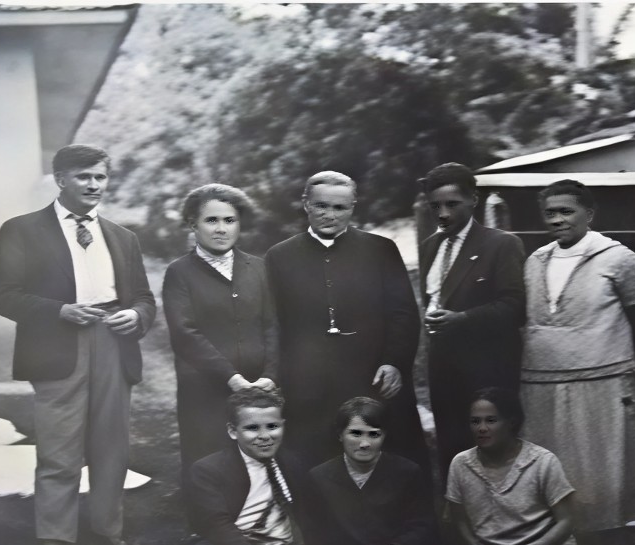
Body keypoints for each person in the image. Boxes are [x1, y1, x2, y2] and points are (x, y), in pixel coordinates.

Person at [0, 144, 156, 545]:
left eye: (100, 177)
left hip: (113, 345)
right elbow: (4, 295)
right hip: (57, 348)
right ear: (61, 180)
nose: (94, 185)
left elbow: (145, 300)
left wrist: (135, 316)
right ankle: (56, 537)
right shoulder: (22, 229)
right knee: (58, 454)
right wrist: (59, 311)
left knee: (111, 453)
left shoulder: (122, 237)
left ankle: (106, 533)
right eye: (84, 177)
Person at [264, 171, 429, 472]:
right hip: (309, 384)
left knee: (387, 463)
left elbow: (403, 313)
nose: (330, 215)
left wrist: (394, 362)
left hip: (371, 375)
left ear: (352, 208)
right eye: (321, 206)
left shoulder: (381, 249)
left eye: (340, 208)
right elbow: (273, 323)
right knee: (315, 465)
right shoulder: (279, 256)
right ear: (306, 204)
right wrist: (276, 375)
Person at [519, 179, 635, 533]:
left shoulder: (619, 258)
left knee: (602, 471)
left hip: (605, 381)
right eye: (550, 213)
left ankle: (611, 532)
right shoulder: (535, 260)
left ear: (589, 213)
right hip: (542, 382)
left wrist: (630, 370)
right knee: (553, 469)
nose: (557, 220)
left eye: (567, 211)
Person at [163, 183, 279, 485]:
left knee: (259, 453)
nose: (221, 229)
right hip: (205, 386)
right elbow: (185, 333)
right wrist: (231, 378)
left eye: (229, 220)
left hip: (258, 383)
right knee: (207, 454)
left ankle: (258, 521)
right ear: (193, 225)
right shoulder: (180, 272)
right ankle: (208, 524)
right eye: (211, 220)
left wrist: (270, 374)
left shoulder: (258, 267)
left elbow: (272, 325)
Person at [418, 162, 526, 482]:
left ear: (473, 200)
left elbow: (515, 307)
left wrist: (462, 319)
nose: (443, 214)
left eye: (452, 204)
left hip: (487, 369)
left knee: (493, 451)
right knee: (453, 449)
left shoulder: (501, 244)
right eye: (435, 206)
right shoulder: (429, 247)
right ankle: (460, 518)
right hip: (443, 369)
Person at [447, 387, 576, 545]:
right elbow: (459, 520)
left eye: (491, 420)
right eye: (475, 421)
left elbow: (566, 521)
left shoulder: (542, 462)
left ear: (511, 422)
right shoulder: (460, 464)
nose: (481, 428)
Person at [305, 397, 438, 545]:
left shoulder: (408, 472)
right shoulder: (319, 478)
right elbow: (315, 533)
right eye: (356, 434)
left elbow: (421, 528)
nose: (364, 444)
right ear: (340, 435)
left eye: (374, 434)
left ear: (384, 435)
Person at [186, 388, 308, 545]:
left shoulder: (292, 461)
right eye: (252, 428)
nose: (265, 436)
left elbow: (306, 516)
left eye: (272, 426)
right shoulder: (208, 471)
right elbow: (218, 528)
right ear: (232, 431)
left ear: (283, 425)